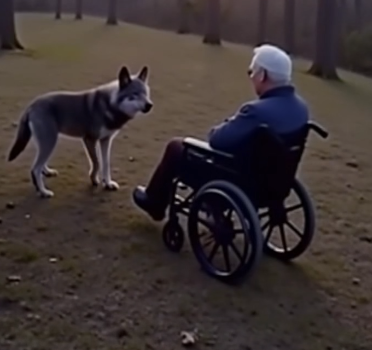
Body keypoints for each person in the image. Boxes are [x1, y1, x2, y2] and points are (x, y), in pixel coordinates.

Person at [132, 44, 309, 221]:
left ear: (263, 75)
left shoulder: (256, 112)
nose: (251, 77)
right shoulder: (301, 109)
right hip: (274, 182)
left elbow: (217, 140)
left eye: (252, 71)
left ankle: (154, 202)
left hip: (240, 180)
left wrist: (225, 124)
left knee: (176, 147)